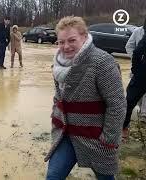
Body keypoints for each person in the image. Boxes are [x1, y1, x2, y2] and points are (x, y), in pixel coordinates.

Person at [45, 16, 126, 180]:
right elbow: (58, 98)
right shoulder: (58, 65)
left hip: (96, 138)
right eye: (61, 42)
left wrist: (108, 139)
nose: (66, 47)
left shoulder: (103, 63)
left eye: (71, 40)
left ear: (84, 36)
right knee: (53, 176)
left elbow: (117, 105)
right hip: (66, 134)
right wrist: (56, 120)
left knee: (105, 178)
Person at [123, 17, 146, 139]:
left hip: (140, 72)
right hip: (140, 72)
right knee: (130, 100)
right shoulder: (139, 32)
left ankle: (143, 115)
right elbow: (134, 50)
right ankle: (124, 126)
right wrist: (136, 68)